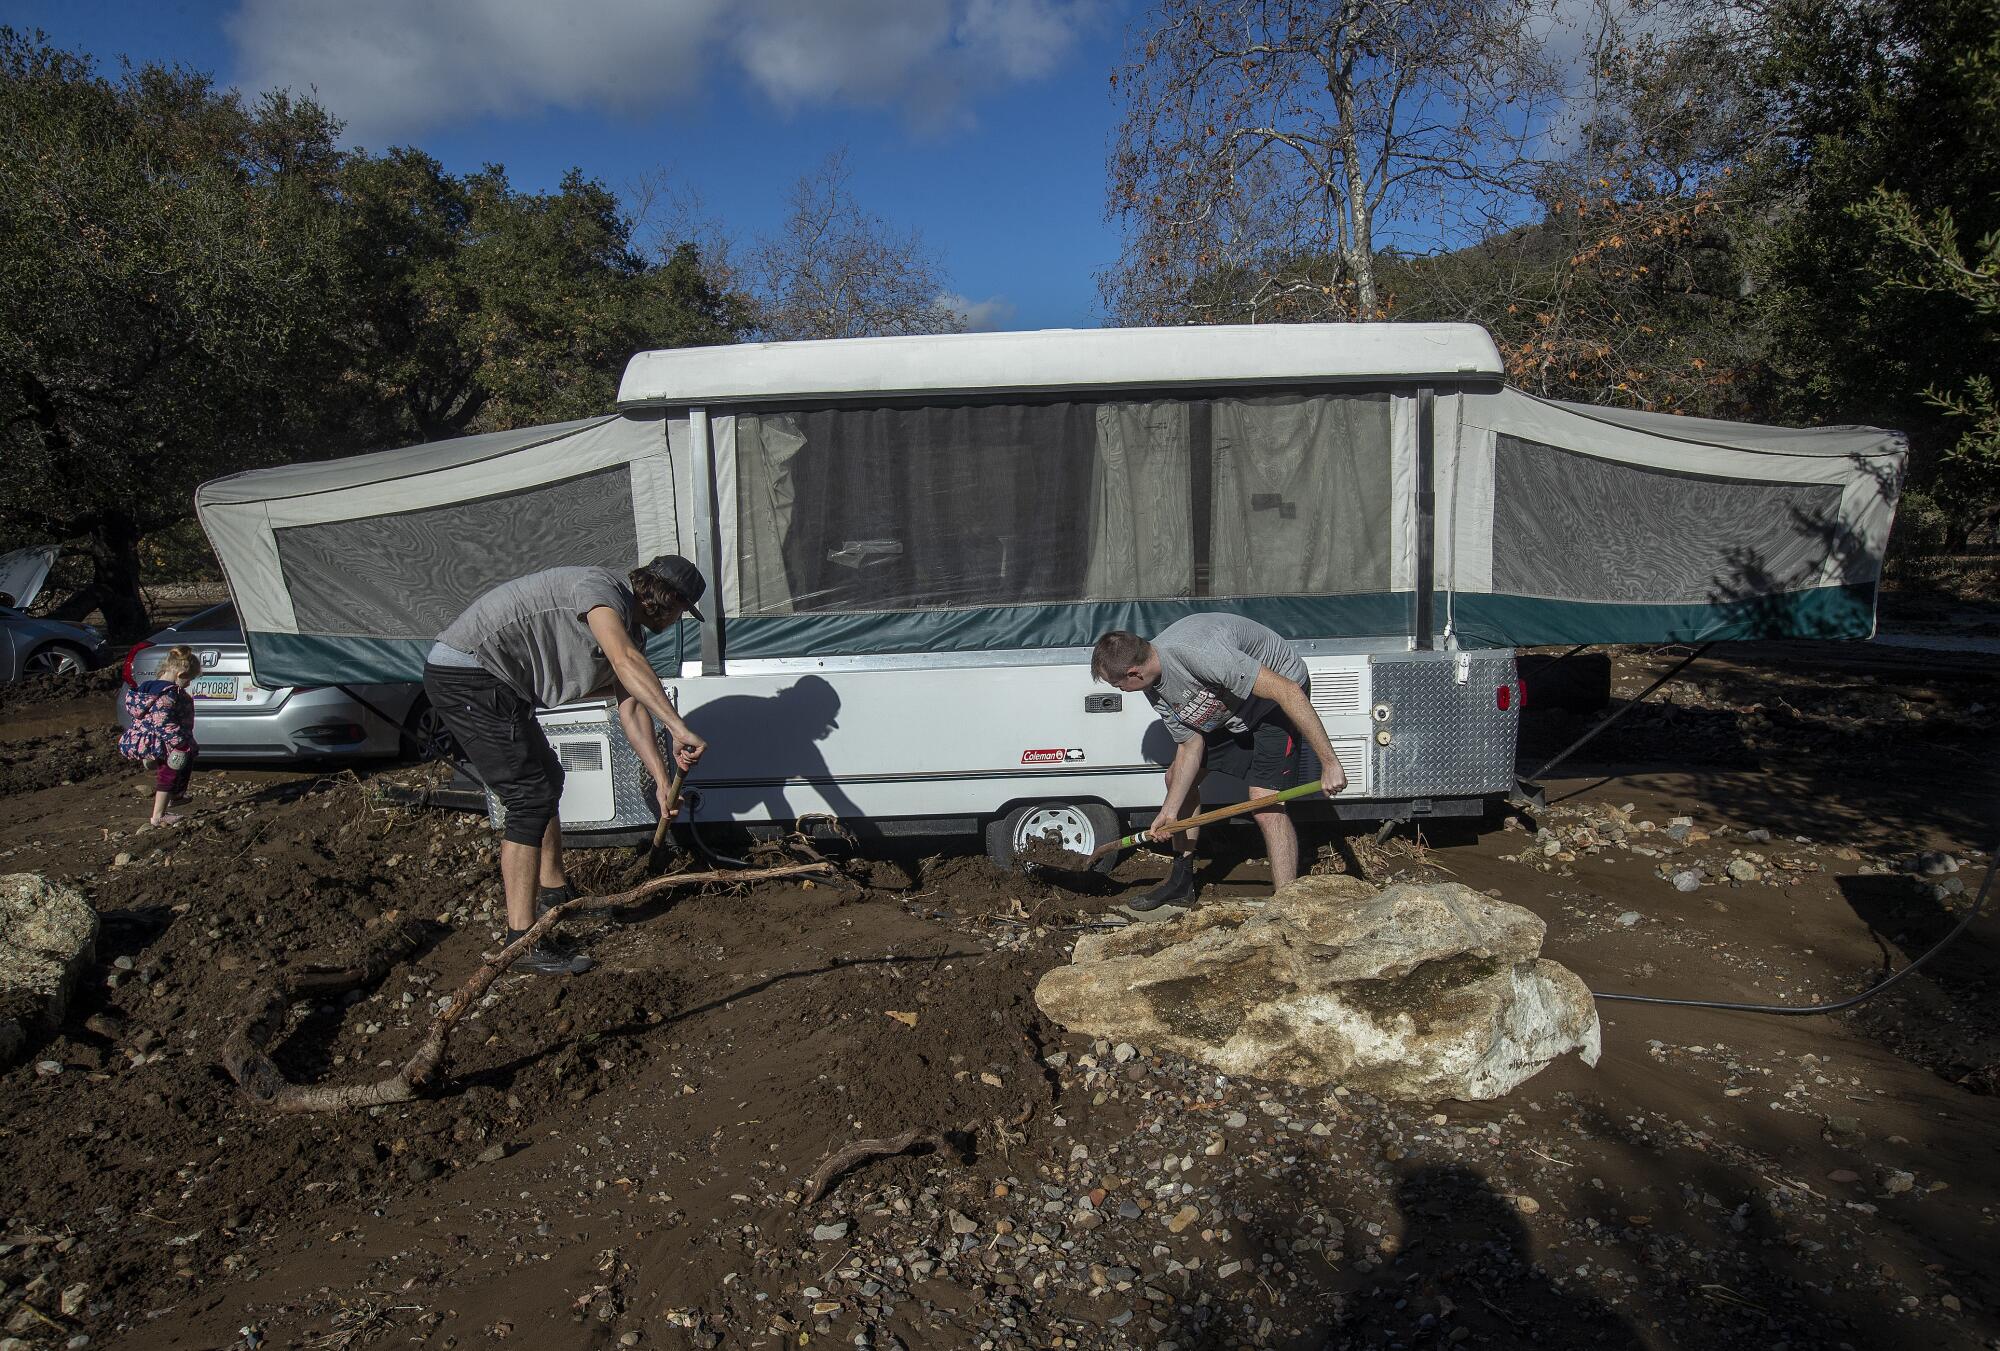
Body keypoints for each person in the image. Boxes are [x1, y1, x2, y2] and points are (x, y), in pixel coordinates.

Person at [424, 556, 710, 976]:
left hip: (499, 683)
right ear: (663, 601)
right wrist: (679, 727)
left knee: (547, 780)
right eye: (681, 612)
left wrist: (662, 780)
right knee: (528, 798)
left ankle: (555, 894)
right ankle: (521, 941)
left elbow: (630, 710)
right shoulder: (601, 592)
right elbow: (626, 662)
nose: (677, 621)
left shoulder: (627, 623)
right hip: (469, 674)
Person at [1091, 616, 1345, 910]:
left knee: (1264, 803)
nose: (1119, 690)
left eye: (1117, 684)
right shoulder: (1154, 685)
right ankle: (1180, 884)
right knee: (1177, 780)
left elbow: (1287, 691)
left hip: (1274, 702)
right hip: (1229, 708)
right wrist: (1169, 813)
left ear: (1133, 673)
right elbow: (1190, 745)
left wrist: (1330, 762)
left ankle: (1285, 907)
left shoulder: (1200, 654)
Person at [118, 644, 201, 827]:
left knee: (185, 760)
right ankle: (158, 816)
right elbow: (162, 721)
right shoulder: (169, 694)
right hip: (165, 740)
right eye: (189, 680)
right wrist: (179, 743)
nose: (188, 684)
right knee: (170, 771)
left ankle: (175, 794)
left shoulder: (146, 688)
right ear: (180, 675)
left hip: (145, 737)